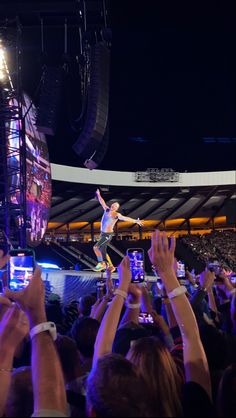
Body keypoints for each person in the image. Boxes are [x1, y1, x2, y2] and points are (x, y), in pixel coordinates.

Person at [93, 189, 143, 272]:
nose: (113, 206)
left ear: (117, 209)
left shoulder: (116, 215)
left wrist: (135, 221)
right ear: (111, 205)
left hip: (107, 235)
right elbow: (102, 202)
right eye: (113, 205)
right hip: (102, 234)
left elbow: (125, 218)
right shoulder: (106, 210)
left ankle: (101, 263)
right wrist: (98, 195)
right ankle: (111, 267)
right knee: (102, 250)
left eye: (116, 206)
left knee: (96, 247)